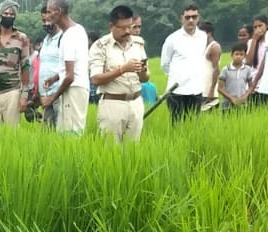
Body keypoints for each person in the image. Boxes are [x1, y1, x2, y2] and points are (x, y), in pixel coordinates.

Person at [90, 5, 150, 142]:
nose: (127, 31)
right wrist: (122, 69)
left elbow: (145, 78)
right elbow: (95, 79)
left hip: (136, 102)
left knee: (133, 152)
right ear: (111, 26)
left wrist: (143, 71)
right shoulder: (100, 46)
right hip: (112, 104)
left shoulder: (138, 44)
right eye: (122, 28)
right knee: (111, 153)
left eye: (130, 26)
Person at [40, 0, 89, 134]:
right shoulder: (78, 30)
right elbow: (74, 67)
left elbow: (70, 76)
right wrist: (55, 78)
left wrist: (52, 98)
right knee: (68, 133)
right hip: (78, 88)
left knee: (71, 134)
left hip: (73, 90)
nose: (47, 16)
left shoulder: (69, 36)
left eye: (49, 12)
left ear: (59, 12)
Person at [160, 4, 211, 120]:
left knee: (193, 126)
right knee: (176, 127)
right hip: (176, 91)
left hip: (196, 90)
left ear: (198, 18)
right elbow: (164, 64)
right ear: (181, 18)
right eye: (187, 17)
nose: (191, 20)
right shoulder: (172, 39)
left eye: (194, 17)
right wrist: (178, 77)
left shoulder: (203, 37)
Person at [30, 8, 64, 125]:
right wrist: (38, 93)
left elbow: (68, 69)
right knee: (48, 133)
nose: (46, 24)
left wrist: (53, 95)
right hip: (45, 95)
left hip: (59, 94)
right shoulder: (45, 40)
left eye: (49, 20)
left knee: (61, 130)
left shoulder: (63, 38)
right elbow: (42, 68)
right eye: (43, 21)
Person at [200, 20, 222, 105]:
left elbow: (216, 70)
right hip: (200, 90)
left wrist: (211, 90)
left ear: (209, 33)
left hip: (208, 92)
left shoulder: (214, 47)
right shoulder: (201, 47)